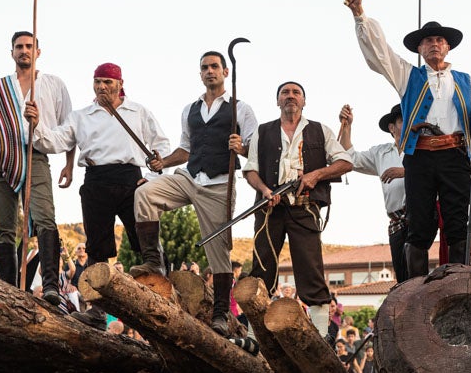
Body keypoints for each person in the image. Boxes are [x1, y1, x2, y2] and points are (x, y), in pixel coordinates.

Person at [346, 0, 471, 276]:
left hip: (455, 156)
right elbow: (380, 54)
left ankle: (458, 282)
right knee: (418, 224)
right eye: (428, 40)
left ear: (448, 47)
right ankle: (413, 288)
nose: (434, 44)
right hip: (420, 156)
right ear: (419, 48)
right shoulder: (409, 76)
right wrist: (359, 15)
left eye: (439, 40)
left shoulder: (465, 81)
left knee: (457, 224)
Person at [131, 51, 258, 333]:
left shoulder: (241, 109)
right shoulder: (190, 109)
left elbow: (254, 148)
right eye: (205, 67)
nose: (210, 71)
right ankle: (154, 263)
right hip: (189, 177)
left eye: (215, 66)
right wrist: (163, 162)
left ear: (225, 72)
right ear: (200, 74)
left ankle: (221, 314)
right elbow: (186, 149)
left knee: (219, 253)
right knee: (145, 194)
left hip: (219, 185)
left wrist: (243, 148)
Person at [0, 32, 74, 305]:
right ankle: (9, 290)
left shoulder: (53, 85)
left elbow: (70, 128)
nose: (24, 51)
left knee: (45, 218)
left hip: (34, 156)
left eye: (28, 46)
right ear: (11, 52)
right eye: (18, 47)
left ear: (38, 51)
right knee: (4, 228)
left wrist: (69, 165)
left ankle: (50, 286)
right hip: (0, 158)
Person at [28, 63, 170, 270]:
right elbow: (56, 141)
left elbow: (162, 146)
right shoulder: (80, 116)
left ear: (120, 83)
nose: (101, 86)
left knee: (146, 241)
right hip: (96, 180)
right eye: (97, 82)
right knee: (96, 247)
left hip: (131, 180)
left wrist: (152, 178)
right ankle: (98, 299)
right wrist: (37, 123)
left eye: (107, 81)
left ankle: (165, 283)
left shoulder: (138, 112)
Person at [243, 81, 353, 336]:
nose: (290, 96)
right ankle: (253, 336)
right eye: (285, 93)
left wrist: (316, 175)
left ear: (304, 101)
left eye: (296, 93)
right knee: (262, 268)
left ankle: (321, 335)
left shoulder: (320, 131)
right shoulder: (264, 131)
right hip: (269, 207)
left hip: (305, 207)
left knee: (310, 268)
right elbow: (250, 169)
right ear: (277, 100)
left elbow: (346, 162)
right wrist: (264, 190)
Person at [339, 103, 409, 281]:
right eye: (402, 120)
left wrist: (405, 172)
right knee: (402, 276)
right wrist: (347, 127)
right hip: (397, 221)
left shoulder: (425, 149)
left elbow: (436, 173)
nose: (408, 122)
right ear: (391, 128)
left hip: (421, 219)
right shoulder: (381, 153)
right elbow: (350, 159)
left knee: (418, 274)